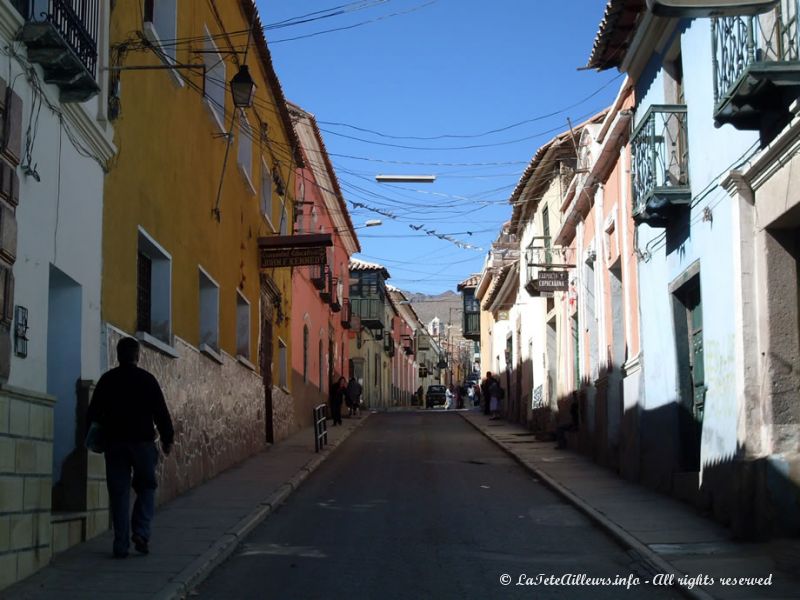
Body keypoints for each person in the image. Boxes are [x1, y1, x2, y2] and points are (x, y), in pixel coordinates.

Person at [86, 337, 174, 558]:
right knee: (147, 487)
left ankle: (120, 544)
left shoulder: (107, 380)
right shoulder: (147, 380)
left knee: (119, 494)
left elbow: (93, 413)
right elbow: (161, 412)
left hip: (114, 444)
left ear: (118, 355)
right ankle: (141, 532)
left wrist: (93, 437)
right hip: (143, 444)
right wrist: (167, 438)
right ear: (137, 356)